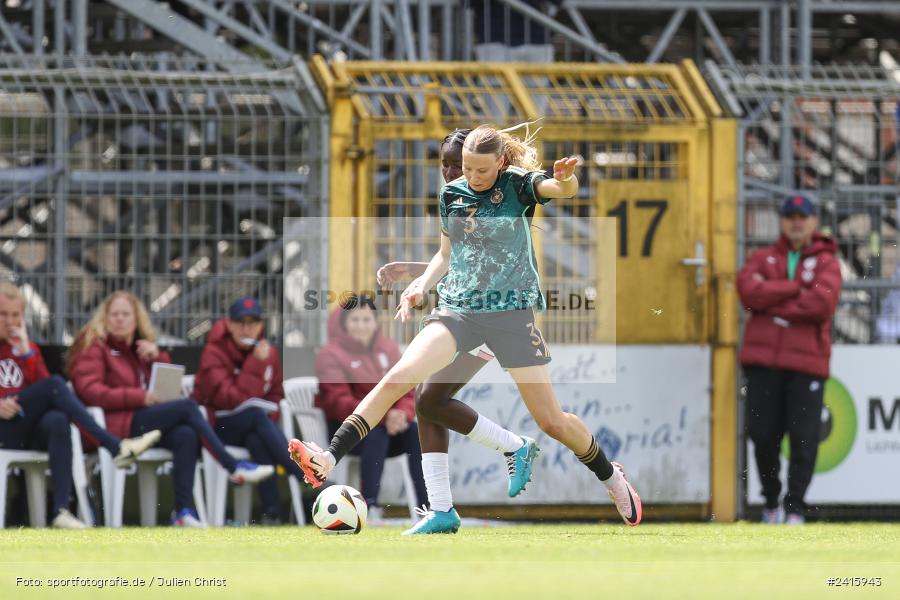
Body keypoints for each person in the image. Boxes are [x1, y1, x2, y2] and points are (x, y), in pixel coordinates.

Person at [291, 124, 642, 531]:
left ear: (501, 162)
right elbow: (447, 254)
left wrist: (566, 179)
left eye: (479, 170)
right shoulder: (451, 193)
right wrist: (420, 286)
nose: (470, 177)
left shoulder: (517, 185)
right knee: (402, 377)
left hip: (511, 315)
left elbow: (560, 189)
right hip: (459, 311)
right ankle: (328, 458)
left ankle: (611, 477)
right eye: (464, 169)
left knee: (552, 422)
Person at [374, 128, 538, 535]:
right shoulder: (457, 196)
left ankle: (512, 448)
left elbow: (484, 262)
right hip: (468, 312)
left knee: (428, 398)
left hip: (499, 316)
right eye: (447, 165)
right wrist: (416, 275)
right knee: (426, 400)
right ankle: (443, 507)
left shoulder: (499, 194)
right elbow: (458, 260)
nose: (450, 171)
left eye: (457, 164)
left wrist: (416, 275)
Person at [68, 291, 274, 528]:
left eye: (126, 314)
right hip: (114, 427)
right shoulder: (94, 345)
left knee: (185, 435)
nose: (120, 319)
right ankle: (232, 466)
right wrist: (141, 397)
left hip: (141, 422)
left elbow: (162, 387)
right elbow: (90, 391)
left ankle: (183, 511)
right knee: (187, 407)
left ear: (136, 320)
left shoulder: (137, 348)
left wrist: (157, 357)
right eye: (114, 314)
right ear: (104, 318)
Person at [0, 282, 161, 529]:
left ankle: (61, 511)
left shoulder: (26, 347)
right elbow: (52, 388)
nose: (10, 321)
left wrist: (26, 354)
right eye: (3, 314)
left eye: (15, 315)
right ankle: (113, 445)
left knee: (57, 420)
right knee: (55, 384)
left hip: (24, 427)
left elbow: (47, 393)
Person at [737, 194, 842, 525]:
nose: (796, 221)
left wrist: (774, 302)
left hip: (806, 365)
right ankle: (771, 503)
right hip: (763, 364)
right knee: (762, 436)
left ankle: (794, 507)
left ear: (813, 221)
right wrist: (796, 288)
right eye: (790, 215)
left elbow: (821, 305)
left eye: (803, 215)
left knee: (804, 439)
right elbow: (747, 292)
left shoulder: (827, 261)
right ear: (782, 221)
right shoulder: (763, 257)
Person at [193, 297, 308, 525]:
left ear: (261, 325)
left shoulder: (269, 353)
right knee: (257, 419)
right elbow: (229, 400)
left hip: (254, 427)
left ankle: (272, 513)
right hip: (217, 427)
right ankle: (303, 475)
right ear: (229, 324)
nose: (247, 329)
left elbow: (276, 396)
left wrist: (268, 418)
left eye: (253, 323)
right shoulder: (213, 352)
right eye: (240, 323)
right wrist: (255, 364)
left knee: (258, 437)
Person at [315, 297, 428, 521]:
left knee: (415, 432)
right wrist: (386, 417)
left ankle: (427, 506)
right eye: (355, 319)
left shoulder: (388, 348)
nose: (361, 325)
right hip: (345, 433)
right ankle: (370, 506)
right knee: (376, 433)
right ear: (344, 323)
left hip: (389, 429)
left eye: (367, 319)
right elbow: (338, 402)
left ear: (375, 322)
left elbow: (407, 390)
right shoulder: (330, 354)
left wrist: (402, 415)